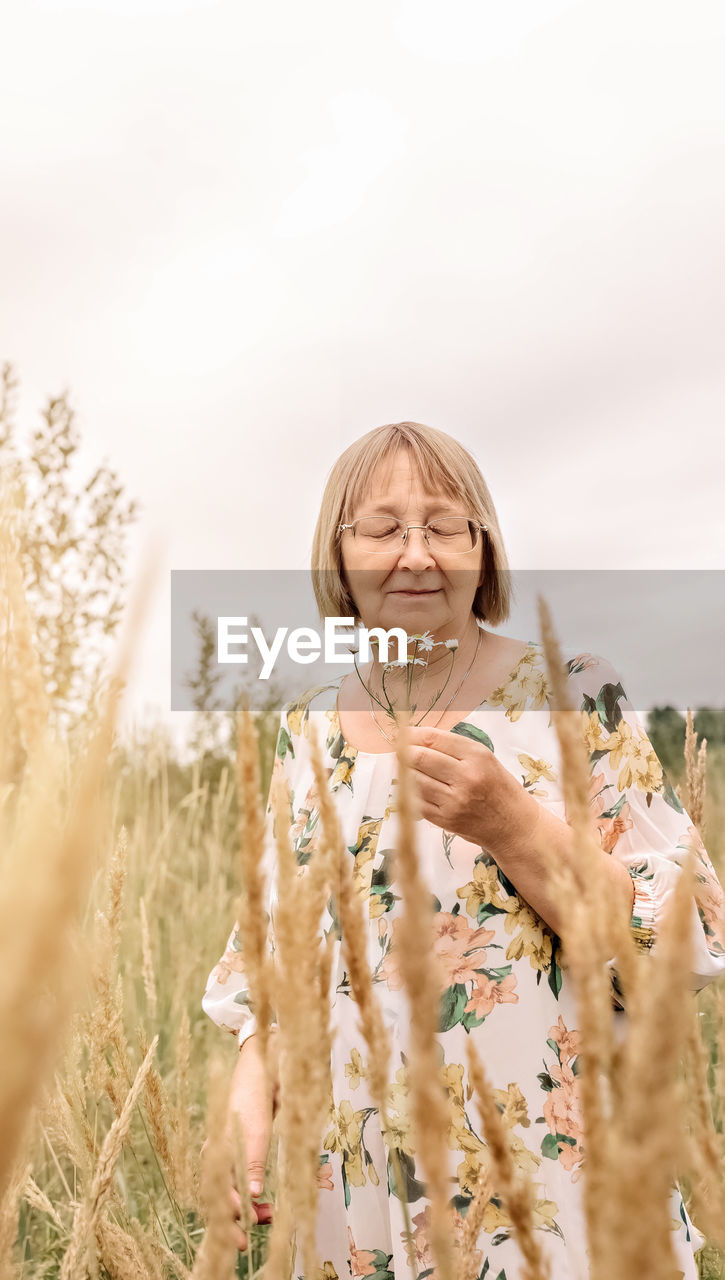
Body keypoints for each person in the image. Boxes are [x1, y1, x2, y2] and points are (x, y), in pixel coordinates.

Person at [201, 421, 725, 1280]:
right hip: (355, 1195)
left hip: (546, 1184)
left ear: (482, 551)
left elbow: (682, 944)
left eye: (444, 526)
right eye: (381, 528)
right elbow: (274, 959)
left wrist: (513, 828)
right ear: (339, 557)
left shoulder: (573, 691)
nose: (415, 555)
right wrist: (248, 1096)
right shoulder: (308, 728)